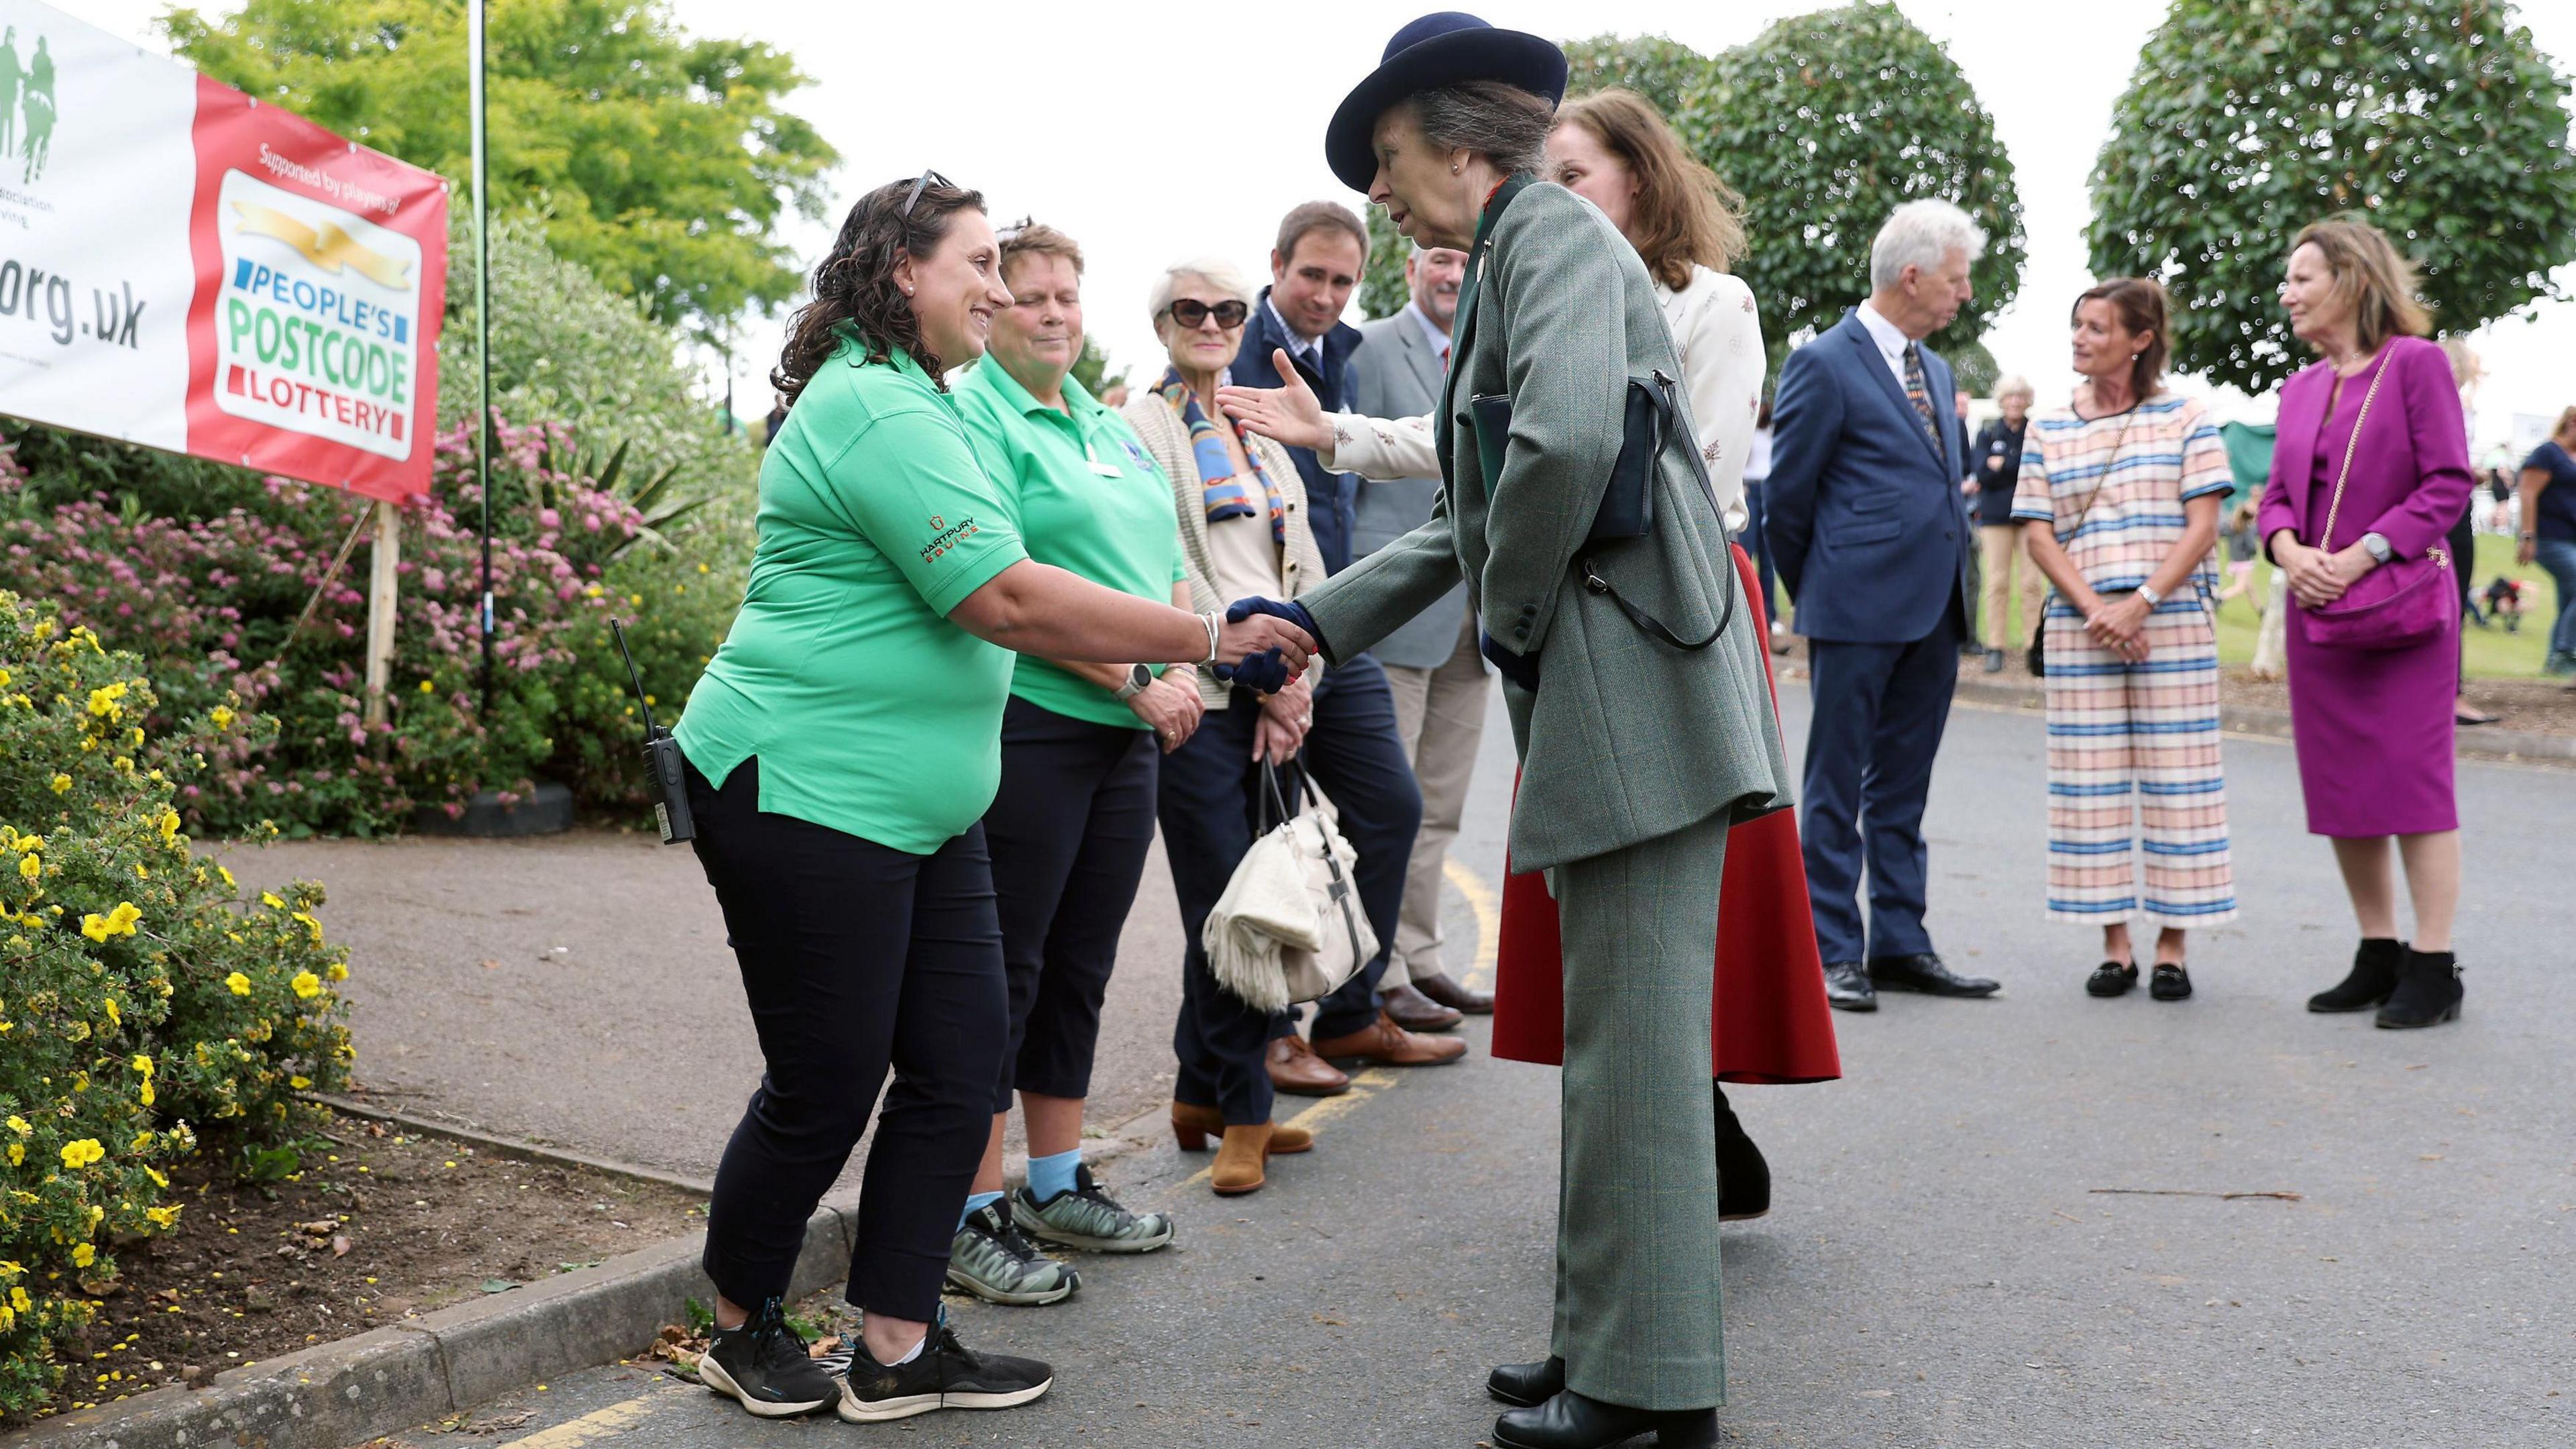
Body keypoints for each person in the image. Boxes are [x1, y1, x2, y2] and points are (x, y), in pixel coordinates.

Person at [671, 174, 1312, 1423]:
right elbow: (1004, 598)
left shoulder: (931, 400)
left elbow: (1044, 562)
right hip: (800, 788)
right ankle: (741, 1325)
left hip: (928, 805)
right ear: (901, 269)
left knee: (966, 1055)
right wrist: (1202, 634)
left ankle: (901, 1345)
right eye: (974, 262)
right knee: (829, 1078)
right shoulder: (870, 406)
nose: (997, 286)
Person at [1248, 17, 1796, 1447]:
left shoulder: (1545, 236)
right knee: (1622, 1048)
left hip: (1637, 698)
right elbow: (1470, 509)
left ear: (1453, 141)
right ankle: (1608, 1345)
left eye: (1385, 157)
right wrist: (1315, 622)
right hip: (1632, 693)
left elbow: (1556, 452)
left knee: (1636, 1057)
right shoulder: (1523, 251)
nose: (1378, 192)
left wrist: (1515, 622)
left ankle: (1647, 1382)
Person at [1124, 255, 1454, 1197]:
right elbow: (1170, 557)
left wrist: (1300, 669)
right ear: (1162, 324)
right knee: (1229, 905)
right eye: (1192, 310)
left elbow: (1301, 547)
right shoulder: (1141, 428)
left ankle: (1203, 1085)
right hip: (1209, 678)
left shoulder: (1258, 422)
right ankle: (1247, 1114)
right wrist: (1260, 672)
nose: (1214, 323)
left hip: (1289, 666)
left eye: (1228, 310)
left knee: (1306, 857)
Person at [945, 222, 1195, 1307]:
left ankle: (1054, 1182)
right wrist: (1139, 677)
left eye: (1066, 296)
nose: (1051, 312)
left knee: (1081, 966)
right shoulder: (973, 421)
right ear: (990, 310)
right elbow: (1016, 590)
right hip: (1039, 723)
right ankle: (964, 1209)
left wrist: (1176, 669)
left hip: (1129, 734)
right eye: (1029, 295)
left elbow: (1167, 560)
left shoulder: (1104, 420)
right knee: (1006, 972)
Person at [1764, 200, 2000, 1014]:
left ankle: (1901, 943)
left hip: (1934, 611)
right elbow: (1785, 502)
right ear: (1914, 275)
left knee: (1903, 788)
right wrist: (1822, 588)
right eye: (1957, 279)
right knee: (1835, 788)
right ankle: (1833, 951)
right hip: (1853, 610)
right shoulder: (1824, 362)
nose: (1964, 295)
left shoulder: (1935, 368)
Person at [2260, 217, 2473, 1029]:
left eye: (2302, 277)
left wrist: (2361, 554)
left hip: (2402, 614)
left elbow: (2448, 483)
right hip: (2319, 613)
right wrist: (2287, 551)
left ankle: (2434, 963)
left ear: (2350, 279)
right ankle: (2377, 951)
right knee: (2345, 786)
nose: (2288, 292)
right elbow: (2278, 496)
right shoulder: (2299, 387)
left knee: (2415, 786)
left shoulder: (2416, 365)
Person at [2015, 278, 2237, 999]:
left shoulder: (2187, 417)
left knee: (2183, 783)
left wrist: (2140, 602)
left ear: (2140, 339)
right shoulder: (2049, 426)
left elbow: (2204, 526)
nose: (2080, 338)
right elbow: (2036, 532)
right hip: (2084, 630)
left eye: (2097, 327)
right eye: (2076, 325)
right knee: (2090, 785)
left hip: (2170, 625)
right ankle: (2116, 945)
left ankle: (2173, 946)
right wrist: (2095, 610)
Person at [1350, 242, 1493, 1028]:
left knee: (1440, 806)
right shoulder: (1371, 348)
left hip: (1475, 619)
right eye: (1438, 258)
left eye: (1464, 263)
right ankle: (1378, 976)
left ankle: (1423, 958)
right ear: (1409, 271)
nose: (1451, 275)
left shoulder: (1490, 346)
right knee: (1388, 803)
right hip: (1395, 616)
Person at [1968, 375, 2037, 672]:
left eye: (2020, 397)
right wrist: (2012, 464)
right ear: (2002, 400)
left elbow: (2034, 468)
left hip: (2029, 516)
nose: (2015, 402)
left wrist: (2004, 463)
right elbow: (1981, 474)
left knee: (2032, 583)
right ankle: (1995, 646)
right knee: (1997, 582)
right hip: (1996, 517)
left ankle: (2034, 646)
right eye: (2010, 397)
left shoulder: (2035, 431)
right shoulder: (1988, 433)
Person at [2516, 407, 2576, 678]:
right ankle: (2566, 651)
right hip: (2549, 538)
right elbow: (2528, 493)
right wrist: (2528, 536)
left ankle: (2555, 662)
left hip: (2571, 538)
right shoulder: (2548, 453)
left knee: (2569, 599)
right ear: (2572, 423)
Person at [1744, 400, 1785, 648]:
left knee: (1768, 560)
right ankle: (1746, 614)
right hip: (1750, 490)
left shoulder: (1772, 433)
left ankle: (1769, 617)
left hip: (1767, 490)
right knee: (1746, 554)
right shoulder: (1747, 429)